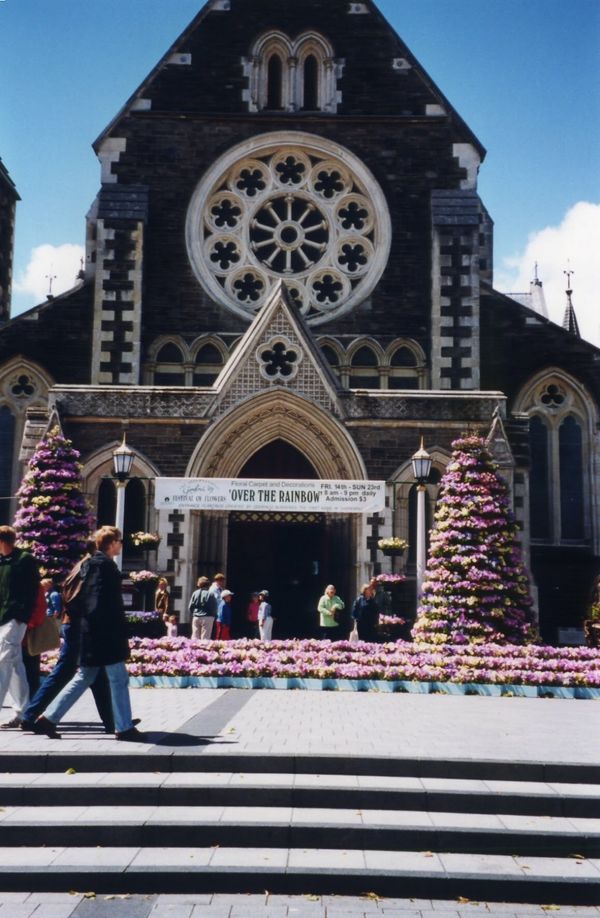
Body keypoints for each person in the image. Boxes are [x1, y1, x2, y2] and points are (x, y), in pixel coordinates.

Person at [32, 526, 143, 742]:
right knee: (118, 679)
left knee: (85, 676)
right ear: (111, 543)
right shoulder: (104, 566)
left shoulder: (92, 564)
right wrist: (110, 629)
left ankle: (48, 718)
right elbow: (99, 601)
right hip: (104, 633)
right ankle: (124, 727)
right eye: (119, 541)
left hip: (91, 631)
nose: (121, 544)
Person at [20, 544, 114, 734]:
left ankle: (114, 721)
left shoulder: (81, 565)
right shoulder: (92, 566)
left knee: (97, 675)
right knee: (65, 671)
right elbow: (90, 598)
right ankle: (31, 715)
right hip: (80, 625)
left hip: (75, 623)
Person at [0, 526, 40, 730]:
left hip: (14, 619)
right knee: (15, 666)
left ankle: (21, 711)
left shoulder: (24, 560)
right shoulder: (3, 561)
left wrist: (21, 617)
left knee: (2, 662)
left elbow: (32, 590)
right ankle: (24, 712)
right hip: (3, 618)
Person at [189, 575, 218, 640]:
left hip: (196, 617)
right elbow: (214, 607)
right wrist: (214, 616)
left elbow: (190, 606)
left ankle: (193, 650)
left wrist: (194, 613)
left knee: (195, 638)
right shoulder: (210, 594)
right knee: (205, 638)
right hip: (207, 617)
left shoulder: (195, 593)